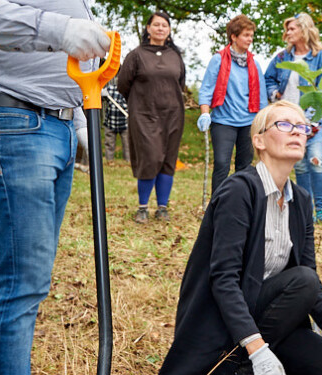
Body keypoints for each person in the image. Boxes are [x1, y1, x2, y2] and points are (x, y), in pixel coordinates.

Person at [152, 101, 322, 375]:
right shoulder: (239, 191)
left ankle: (265, 355)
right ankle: (230, 373)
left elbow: (312, 279)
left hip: (275, 318)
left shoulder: (301, 200)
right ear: (259, 141)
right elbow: (223, 280)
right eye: (284, 124)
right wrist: (257, 350)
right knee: (302, 280)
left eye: (302, 127)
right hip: (222, 323)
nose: (297, 132)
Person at [0, 1, 110, 375]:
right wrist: (59, 28)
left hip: (56, 123)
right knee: (18, 285)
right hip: (11, 121)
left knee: (29, 285)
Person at [265, 13, 322, 225]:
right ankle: (307, 210)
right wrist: (273, 93)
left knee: (315, 161)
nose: (287, 33)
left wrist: (313, 122)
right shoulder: (282, 57)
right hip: (289, 120)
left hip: (315, 122)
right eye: (287, 29)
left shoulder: (321, 57)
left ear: (304, 30)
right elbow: (268, 78)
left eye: (292, 29)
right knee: (301, 166)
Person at [118, 11, 185, 224]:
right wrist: (140, 102)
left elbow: (180, 84)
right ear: (148, 29)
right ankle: (143, 207)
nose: (160, 28)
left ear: (169, 30)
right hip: (144, 115)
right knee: (151, 157)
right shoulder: (136, 55)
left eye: (164, 25)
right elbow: (123, 84)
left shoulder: (175, 56)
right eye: (156, 25)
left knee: (167, 159)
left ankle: (162, 208)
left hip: (173, 114)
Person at [197, 14, 267, 194]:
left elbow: (262, 98)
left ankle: (238, 206)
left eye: (251, 35)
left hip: (248, 123)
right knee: (221, 164)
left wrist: (263, 124)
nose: (250, 39)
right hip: (223, 121)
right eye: (246, 35)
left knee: (244, 168)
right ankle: (217, 205)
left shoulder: (255, 64)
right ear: (234, 37)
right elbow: (206, 89)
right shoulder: (218, 60)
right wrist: (205, 113)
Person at [102, 75, 130, 162]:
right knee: (109, 145)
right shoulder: (110, 90)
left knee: (127, 145)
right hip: (110, 123)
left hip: (125, 125)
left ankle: (128, 162)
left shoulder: (129, 91)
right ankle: (109, 161)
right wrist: (101, 93)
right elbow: (100, 98)